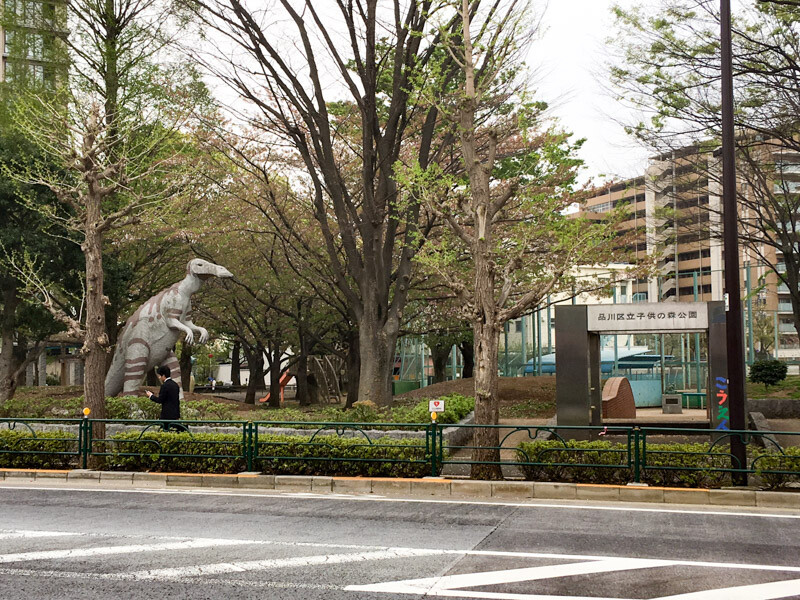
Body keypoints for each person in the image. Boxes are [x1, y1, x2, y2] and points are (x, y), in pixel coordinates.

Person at [146, 365, 184, 431]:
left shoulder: (165, 386)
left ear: (163, 376)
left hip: (166, 414)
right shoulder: (175, 385)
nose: (159, 377)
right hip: (175, 414)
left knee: (164, 431)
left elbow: (160, 400)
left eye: (160, 376)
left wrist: (151, 396)